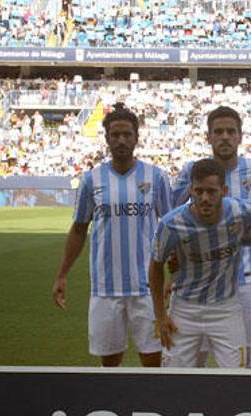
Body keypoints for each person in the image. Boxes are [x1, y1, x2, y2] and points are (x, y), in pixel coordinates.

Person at [52, 103, 171, 367]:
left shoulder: (156, 177)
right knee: (110, 362)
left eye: (127, 134)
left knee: (153, 359)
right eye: (115, 135)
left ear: (137, 138)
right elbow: (79, 229)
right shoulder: (91, 180)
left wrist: (174, 274)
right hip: (105, 287)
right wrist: (62, 274)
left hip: (147, 287)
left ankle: (152, 405)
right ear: (106, 139)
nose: (121, 140)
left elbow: (171, 226)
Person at [171, 106, 251, 367]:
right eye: (218, 132)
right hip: (197, 282)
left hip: (244, 280)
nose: (225, 137)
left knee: (243, 360)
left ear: (240, 136)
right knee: (193, 361)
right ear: (209, 137)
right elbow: (174, 219)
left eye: (231, 131)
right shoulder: (192, 171)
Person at [149, 159, 251, 368]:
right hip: (184, 309)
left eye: (212, 191)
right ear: (191, 189)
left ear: (224, 190)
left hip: (226, 309)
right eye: (199, 191)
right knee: (173, 380)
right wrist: (160, 316)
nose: (204, 198)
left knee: (237, 379)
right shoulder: (171, 224)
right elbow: (155, 266)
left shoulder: (240, 212)